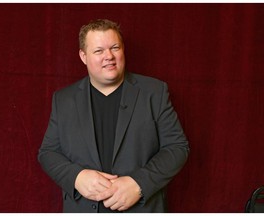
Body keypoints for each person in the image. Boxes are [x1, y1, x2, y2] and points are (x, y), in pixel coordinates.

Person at [38, 18, 189, 213]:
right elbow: (48, 153)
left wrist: (138, 184)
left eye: (115, 47)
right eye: (99, 51)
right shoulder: (64, 100)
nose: (108, 56)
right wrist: (77, 177)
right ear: (83, 56)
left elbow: (177, 148)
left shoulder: (154, 92)